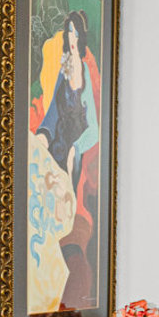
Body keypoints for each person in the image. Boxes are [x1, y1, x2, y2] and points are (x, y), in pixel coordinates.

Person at [36, 10, 100, 188]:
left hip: (74, 149)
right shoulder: (64, 70)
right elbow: (53, 112)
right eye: (70, 32)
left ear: (81, 38)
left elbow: (94, 129)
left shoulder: (85, 73)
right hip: (57, 143)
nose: (73, 38)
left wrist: (77, 148)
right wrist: (44, 134)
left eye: (76, 33)